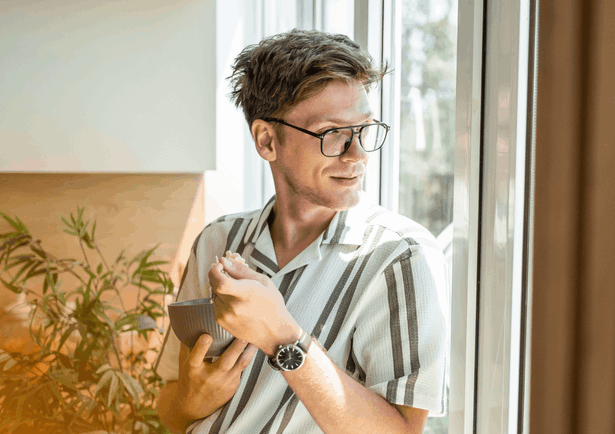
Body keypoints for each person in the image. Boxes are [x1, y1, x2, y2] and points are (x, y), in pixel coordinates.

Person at [155, 29, 449, 434]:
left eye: (364, 128)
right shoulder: (216, 240)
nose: (358, 153)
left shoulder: (401, 257)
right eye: (332, 133)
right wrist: (190, 401)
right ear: (266, 140)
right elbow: (168, 411)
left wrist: (281, 333)